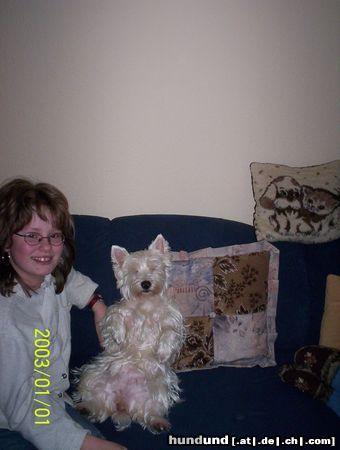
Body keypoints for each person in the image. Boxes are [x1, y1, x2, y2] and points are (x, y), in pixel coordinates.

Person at [0, 178, 127, 450]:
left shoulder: (47, 276)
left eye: (54, 235)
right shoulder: (8, 320)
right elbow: (28, 412)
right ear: (6, 242)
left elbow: (69, 278)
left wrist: (97, 304)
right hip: (9, 422)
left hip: (51, 402)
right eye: (32, 236)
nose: (46, 247)